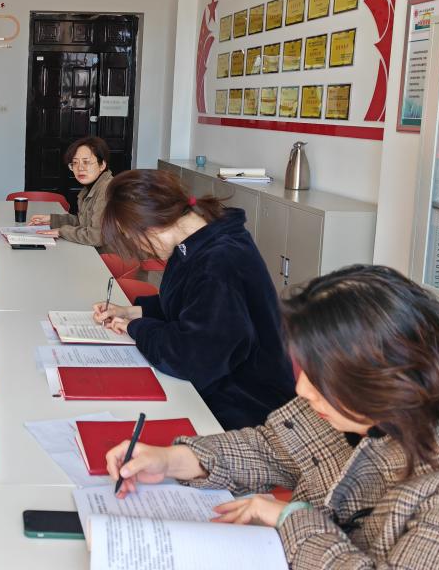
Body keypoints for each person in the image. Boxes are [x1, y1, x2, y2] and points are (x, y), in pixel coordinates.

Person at [105, 265, 439, 569]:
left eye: (318, 378)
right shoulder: (375, 402)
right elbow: (274, 447)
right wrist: (172, 459)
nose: (302, 389)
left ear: (384, 380)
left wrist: (292, 520)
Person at [92, 169, 294, 429]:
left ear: (151, 225)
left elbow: (190, 357)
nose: (138, 246)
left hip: (244, 408)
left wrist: (136, 328)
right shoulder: (197, 242)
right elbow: (193, 306)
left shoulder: (220, 261)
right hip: (217, 388)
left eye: (131, 237)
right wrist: (132, 312)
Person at [28, 136, 114, 252]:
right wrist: (52, 220)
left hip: (111, 258)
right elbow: (83, 222)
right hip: (93, 253)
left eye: (86, 162)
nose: (80, 168)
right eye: (75, 163)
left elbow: (96, 236)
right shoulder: (89, 189)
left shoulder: (107, 190)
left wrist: (61, 231)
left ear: (102, 165)